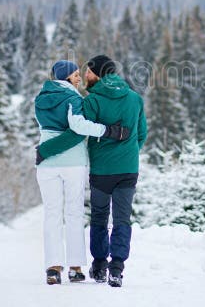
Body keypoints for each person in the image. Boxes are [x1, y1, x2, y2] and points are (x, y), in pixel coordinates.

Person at [34, 60, 130, 286]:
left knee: (52, 214)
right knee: (74, 213)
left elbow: (46, 126)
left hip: (46, 164)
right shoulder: (74, 99)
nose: (79, 78)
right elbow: (77, 126)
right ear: (66, 78)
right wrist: (107, 131)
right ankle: (75, 267)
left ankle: (53, 267)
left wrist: (46, 150)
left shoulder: (40, 99)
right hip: (73, 162)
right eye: (75, 74)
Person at [73, 55, 147, 288]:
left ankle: (99, 265)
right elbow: (142, 133)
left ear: (99, 74)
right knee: (122, 219)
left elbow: (84, 130)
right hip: (128, 168)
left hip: (102, 170)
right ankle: (117, 269)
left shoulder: (92, 101)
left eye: (89, 72)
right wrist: (128, 153)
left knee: (99, 217)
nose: (85, 75)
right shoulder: (135, 98)